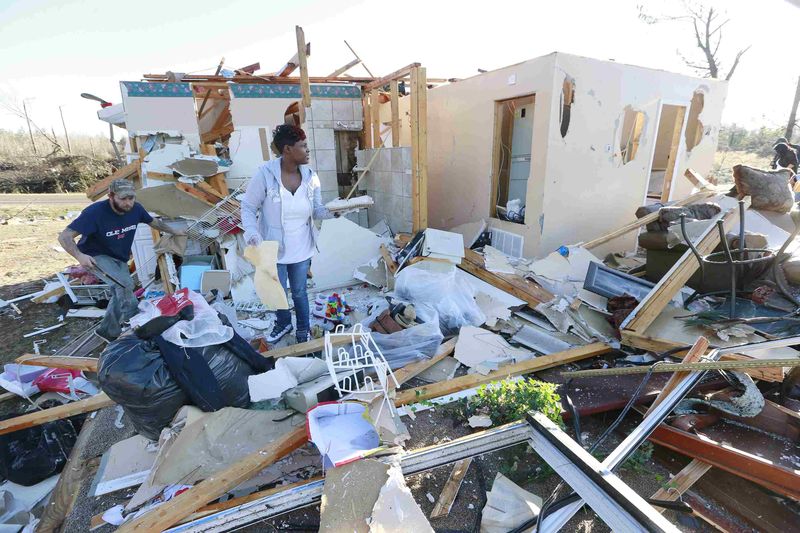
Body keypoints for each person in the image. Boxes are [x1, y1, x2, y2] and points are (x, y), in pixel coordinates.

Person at [241, 124, 336, 345]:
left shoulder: (311, 177)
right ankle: (284, 323)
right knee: (276, 291)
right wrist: (252, 233)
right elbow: (247, 207)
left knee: (300, 292)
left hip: (302, 247)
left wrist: (337, 211)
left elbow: (317, 210)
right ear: (287, 150)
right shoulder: (265, 175)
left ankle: (303, 327)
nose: (307, 150)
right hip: (273, 248)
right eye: (302, 146)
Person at [58, 179, 186, 341]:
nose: (128, 203)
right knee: (125, 284)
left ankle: (107, 331)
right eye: (123, 199)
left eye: (131, 198)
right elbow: (65, 236)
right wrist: (79, 256)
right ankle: (136, 324)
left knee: (120, 291)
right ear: (111, 196)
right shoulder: (95, 213)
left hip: (119, 257)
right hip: (95, 256)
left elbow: (154, 222)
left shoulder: (136, 209)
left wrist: (174, 231)